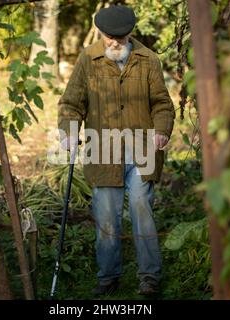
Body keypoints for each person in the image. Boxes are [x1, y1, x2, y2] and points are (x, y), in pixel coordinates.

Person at [58, 4, 175, 296]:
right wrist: (69, 132)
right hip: (103, 151)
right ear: (101, 32)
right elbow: (72, 103)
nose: (114, 42)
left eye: (120, 38)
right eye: (109, 37)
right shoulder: (88, 59)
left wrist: (161, 131)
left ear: (130, 35)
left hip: (142, 150)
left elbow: (162, 103)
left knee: (140, 206)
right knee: (107, 215)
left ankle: (149, 277)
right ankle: (108, 276)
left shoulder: (148, 59)